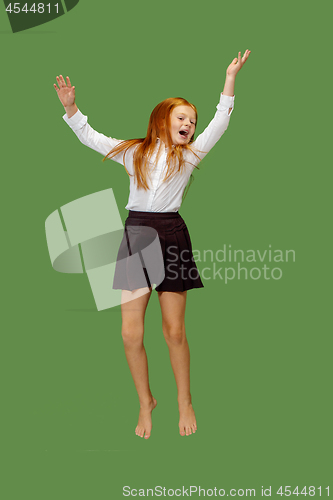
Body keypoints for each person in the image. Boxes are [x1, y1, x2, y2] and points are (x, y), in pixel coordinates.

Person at [54, 49, 251, 439]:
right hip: (137, 235)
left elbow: (220, 123)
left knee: (174, 331)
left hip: (172, 234)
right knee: (130, 334)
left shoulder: (191, 156)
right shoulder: (135, 152)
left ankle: (184, 400)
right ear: (164, 120)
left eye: (192, 121)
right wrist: (72, 109)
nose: (190, 125)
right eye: (182, 118)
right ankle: (146, 402)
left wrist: (229, 80)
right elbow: (92, 139)